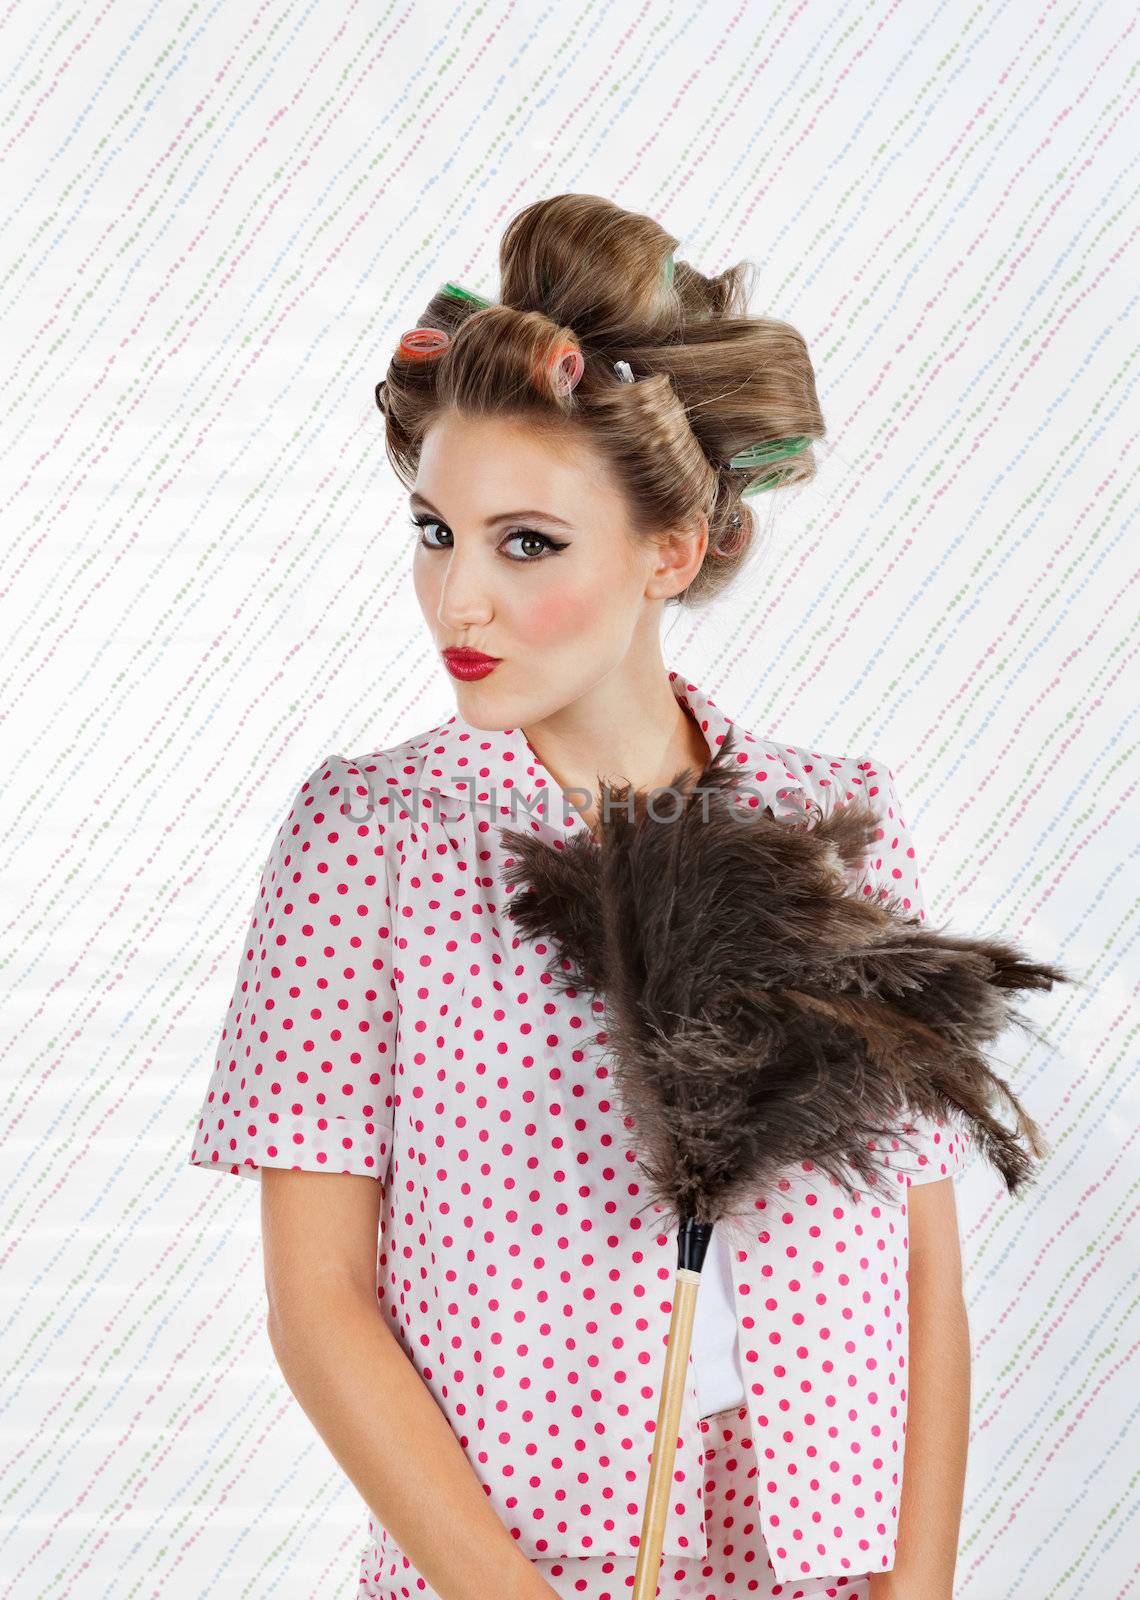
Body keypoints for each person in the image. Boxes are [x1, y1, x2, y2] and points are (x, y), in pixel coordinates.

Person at [188, 194, 975, 1600]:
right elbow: (318, 1305)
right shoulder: (369, 841)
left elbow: (923, 1258)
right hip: (522, 1569)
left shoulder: (833, 827)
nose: (456, 603)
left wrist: (914, 1591)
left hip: (825, 1566)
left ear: (671, 552)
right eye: (436, 532)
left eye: (525, 544)